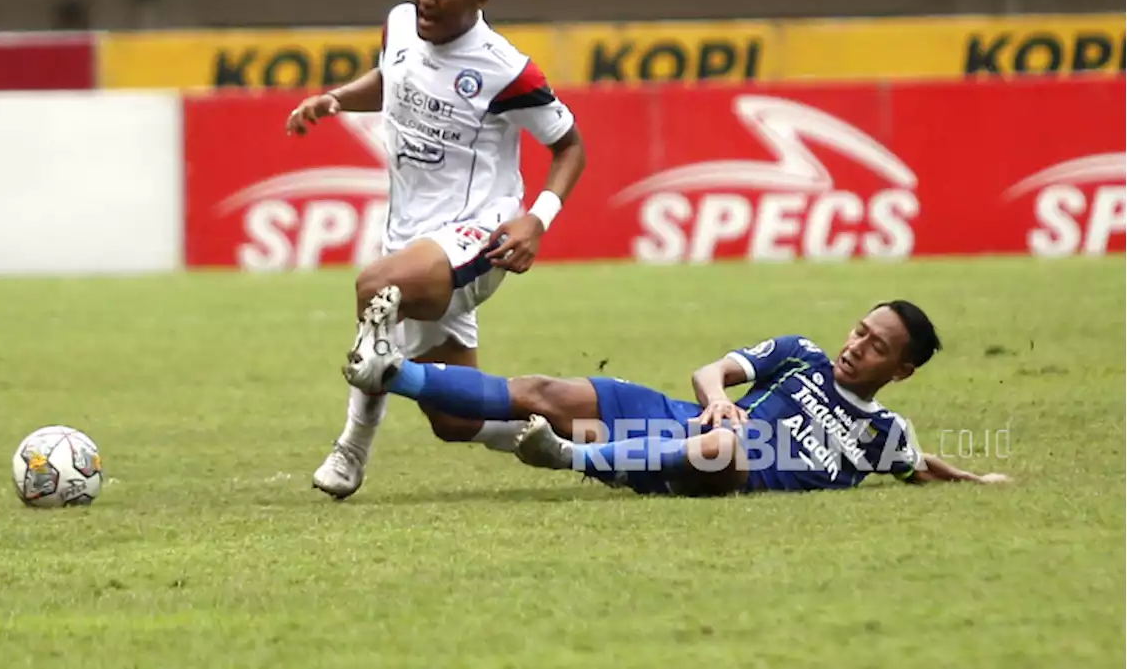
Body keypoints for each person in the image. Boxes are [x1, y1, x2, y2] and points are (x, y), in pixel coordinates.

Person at [287, 0, 587, 499]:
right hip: (413, 241)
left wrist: (538, 219)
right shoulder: (400, 25)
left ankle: (350, 450)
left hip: (481, 236)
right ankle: (592, 443)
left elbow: (570, 146)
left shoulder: (507, 69)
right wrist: (336, 99)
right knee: (457, 419)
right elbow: (392, 78)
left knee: (377, 288)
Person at [343, 289, 1011, 495]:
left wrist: (976, 478)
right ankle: (391, 373)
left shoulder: (883, 432)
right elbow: (710, 373)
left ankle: (566, 457)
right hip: (680, 422)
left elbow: (918, 465)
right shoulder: (800, 353)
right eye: (859, 330)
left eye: (875, 346)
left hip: (723, 465)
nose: (855, 345)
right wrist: (718, 394)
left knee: (728, 443)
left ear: (901, 370)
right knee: (543, 389)